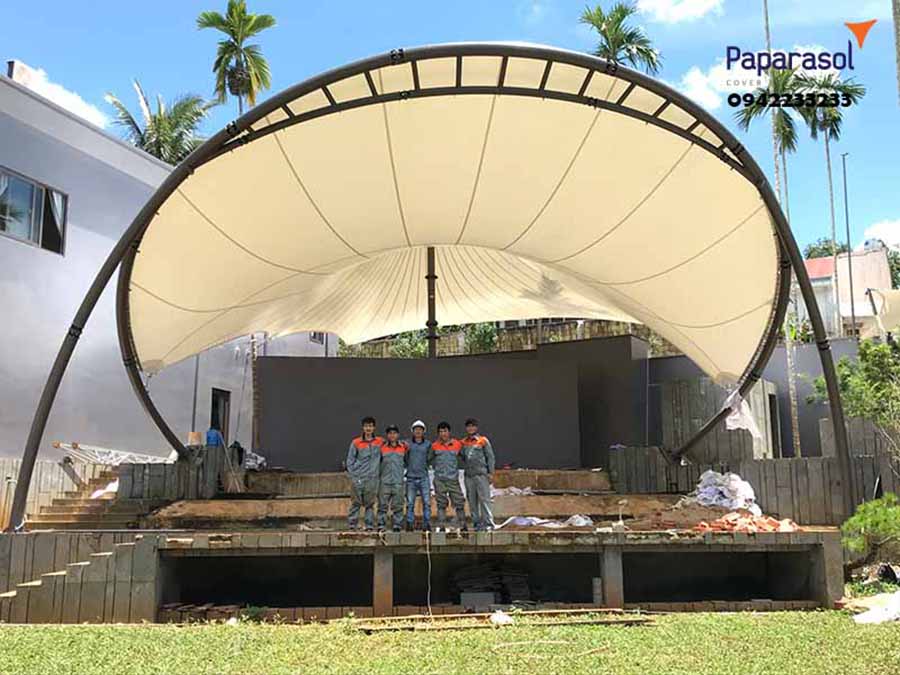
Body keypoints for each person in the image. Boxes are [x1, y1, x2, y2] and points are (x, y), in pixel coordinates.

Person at [346, 416, 382, 531]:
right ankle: (352, 525)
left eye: (370, 426)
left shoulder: (380, 442)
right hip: (359, 477)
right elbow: (350, 460)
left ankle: (369, 525)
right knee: (356, 502)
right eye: (366, 426)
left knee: (370, 503)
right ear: (363, 427)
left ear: (374, 427)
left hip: (373, 478)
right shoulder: (356, 442)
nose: (368, 428)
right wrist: (353, 476)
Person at [461, 418, 496, 531]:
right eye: (468, 426)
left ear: (476, 427)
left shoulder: (483, 440)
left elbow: (490, 457)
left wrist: (490, 473)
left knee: (484, 500)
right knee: (472, 501)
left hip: (481, 475)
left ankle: (488, 524)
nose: (471, 428)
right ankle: (476, 524)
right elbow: (462, 456)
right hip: (469, 476)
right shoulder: (463, 442)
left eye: (473, 426)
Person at [431, 421, 466, 532]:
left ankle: (463, 526)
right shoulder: (434, 446)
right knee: (441, 504)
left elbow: (465, 457)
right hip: (439, 480)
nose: (443, 434)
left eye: (445, 431)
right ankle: (441, 526)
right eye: (440, 431)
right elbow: (428, 459)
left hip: (453, 480)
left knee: (459, 503)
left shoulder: (457, 444)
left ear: (449, 432)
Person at [378, 424, 407, 532]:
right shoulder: (382, 448)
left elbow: (407, 461)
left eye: (394, 433)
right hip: (384, 482)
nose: (392, 435)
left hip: (398, 482)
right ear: (387, 435)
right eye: (390, 433)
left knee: (398, 505)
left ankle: (397, 525)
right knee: (382, 505)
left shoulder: (403, 447)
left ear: (398, 434)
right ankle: (381, 525)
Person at [405, 420, 432, 532]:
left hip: (424, 477)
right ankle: (409, 524)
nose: (418, 431)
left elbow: (429, 458)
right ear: (412, 431)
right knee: (410, 503)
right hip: (411, 478)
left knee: (427, 502)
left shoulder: (428, 444)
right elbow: (405, 458)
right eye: (416, 429)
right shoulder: (407, 444)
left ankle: (427, 524)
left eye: (420, 429)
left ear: (423, 431)